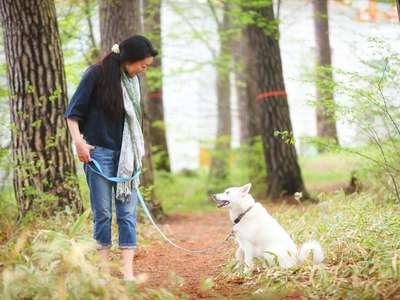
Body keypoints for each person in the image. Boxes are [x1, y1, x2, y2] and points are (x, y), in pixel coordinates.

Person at [63, 35, 158, 280]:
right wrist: (79, 143)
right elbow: (73, 112)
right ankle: (103, 271)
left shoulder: (133, 81)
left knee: (127, 214)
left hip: (127, 158)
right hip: (98, 155)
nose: (143, 70)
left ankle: (127, 272)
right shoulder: (96, 74)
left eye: (146, 67)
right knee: (103, 213)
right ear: (128, 58)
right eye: (142, 65)